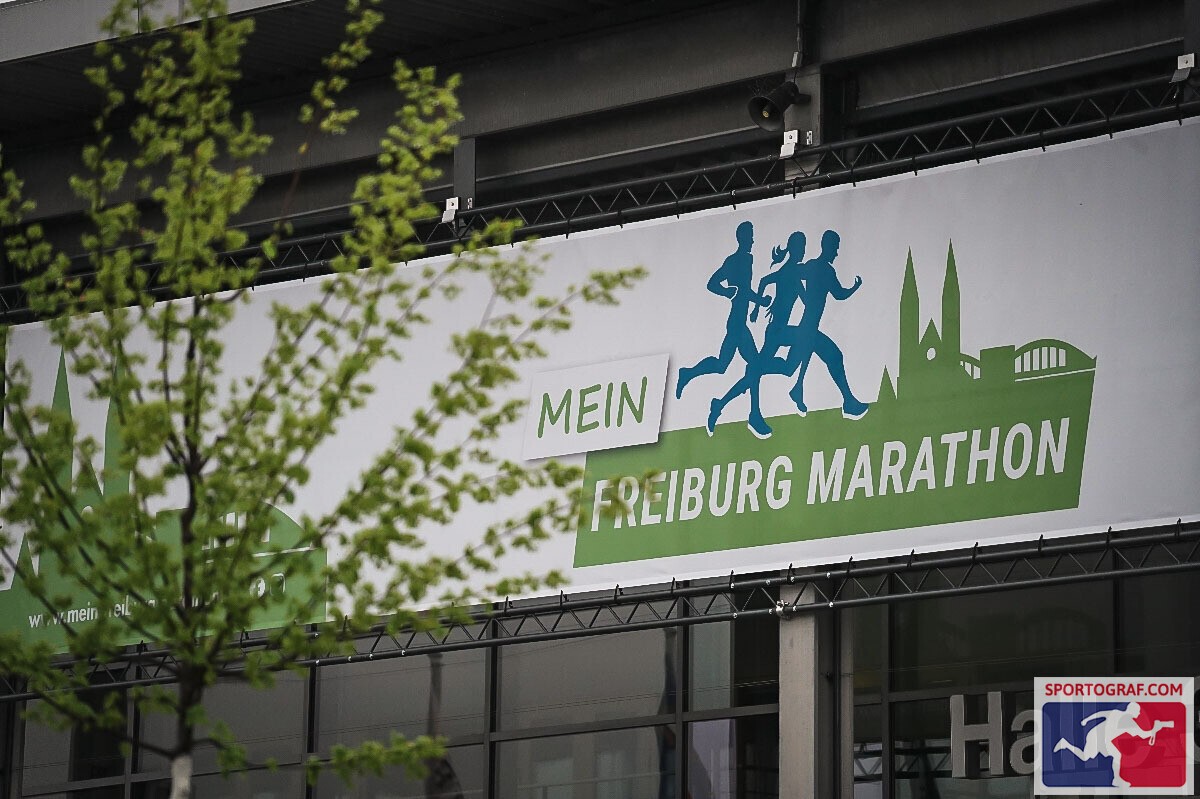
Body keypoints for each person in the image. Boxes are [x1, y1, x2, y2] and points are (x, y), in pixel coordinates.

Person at [707, 229, 868, 438]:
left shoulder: (804, 268)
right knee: (827, 354)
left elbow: (798, 288)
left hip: (787, 330)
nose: (803, 252)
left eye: (803, 248)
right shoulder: (800, 269)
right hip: (778, 332)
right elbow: (783, 284)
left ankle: (721, 403)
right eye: (800, 248)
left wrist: (807, 298)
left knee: (785, 367)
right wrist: (760, 306)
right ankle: (847, 401)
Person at [675, 221, 769, 426]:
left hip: (740, 322)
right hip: (736, 323)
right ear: (742, 238)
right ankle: (753, 414)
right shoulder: (736, 260)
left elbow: (745, 289)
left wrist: (758, 301)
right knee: (738, 365)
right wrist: (728, 291)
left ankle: (692, 376)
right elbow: (713, 283)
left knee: (726, 365)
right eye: (749, 236)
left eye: (752, 235)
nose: (752, 240)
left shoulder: (747, 259)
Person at [1053, 701, 1175, 789]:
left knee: (1116, 756)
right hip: (1096, 736)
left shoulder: (1125, 719)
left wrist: (1155, 730)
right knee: (1086, 757)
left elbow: (1143, 735)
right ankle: (1065, 744)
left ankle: (1116, 779)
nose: (1138, 714)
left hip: (1104, 740)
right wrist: (1155, 729)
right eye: (1137, 711)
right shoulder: (1123, 717)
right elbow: (1101, 713)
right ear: (1131, 710)